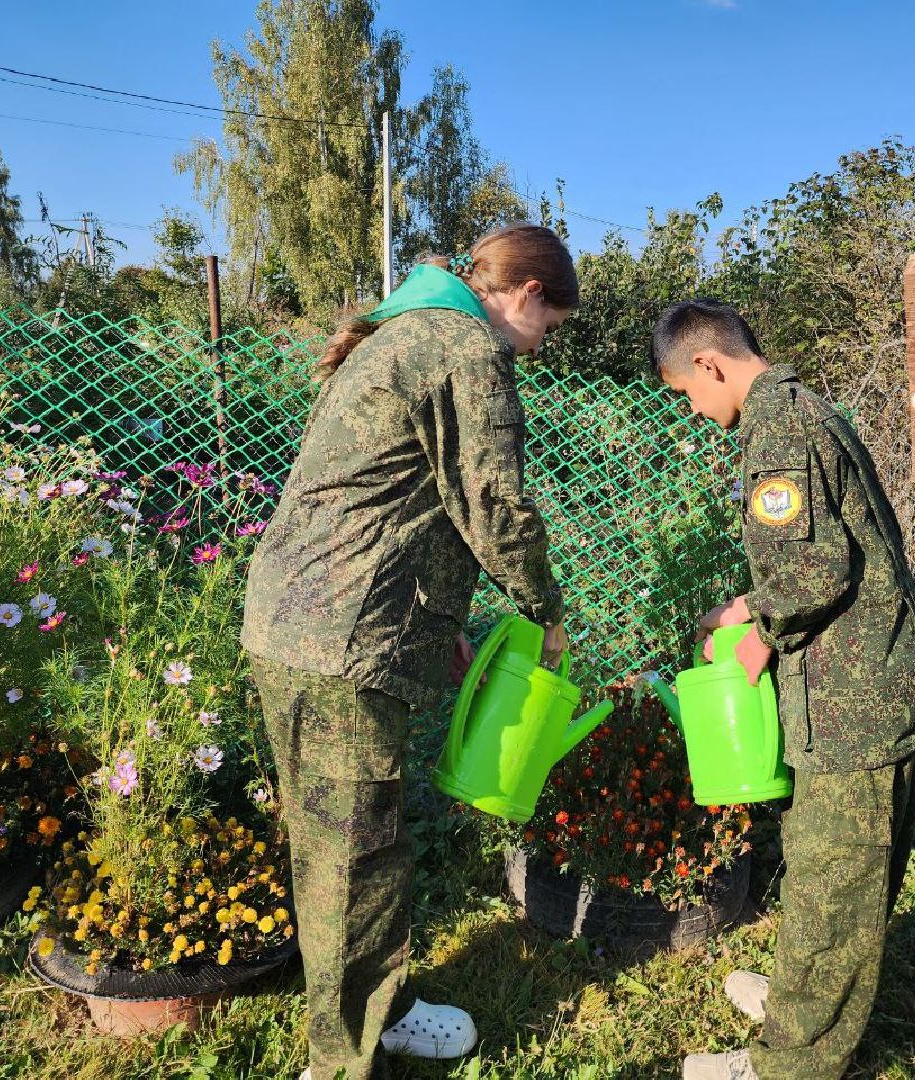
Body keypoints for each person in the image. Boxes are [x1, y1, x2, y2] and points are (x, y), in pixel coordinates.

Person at [240, 224, 577, 1080]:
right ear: (527, 294)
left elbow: (397, 495)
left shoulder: (406, 331)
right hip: (342, 640)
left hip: (298, 623)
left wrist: (441, 616)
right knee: (357, 855)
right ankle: (343, 1058)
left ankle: (370, 1011)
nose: (543, 348)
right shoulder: (465, 346)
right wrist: (545, 611)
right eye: (553, 326)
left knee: (337, 848)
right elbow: (494, 502)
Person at [649, 300, 915, 1080]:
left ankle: (792, 1064)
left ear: (710, 365)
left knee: (828, 887)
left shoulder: (775, 428)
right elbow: (833, 544)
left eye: (686, 392)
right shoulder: (807, 407)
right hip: (878, 679)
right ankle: (809, 1007)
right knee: (844, 884)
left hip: (856, 700)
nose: (694, 410)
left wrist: (758, 631)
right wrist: (749, 602)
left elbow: (815, 570)